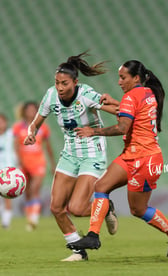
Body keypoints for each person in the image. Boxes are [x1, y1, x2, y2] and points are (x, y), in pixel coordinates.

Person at [68, 60, 168, 258]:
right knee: (101, 187)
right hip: (131, 155)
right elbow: (132, 111)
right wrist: (115, 102)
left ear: (136, 78)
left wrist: (93, 131)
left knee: (138, 209)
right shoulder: (147, 93)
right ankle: (93, 236)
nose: (119, 81)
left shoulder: (132, 96)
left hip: (145, 159)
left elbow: (122, 127)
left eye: (123, 77)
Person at [24, 51, 119, 262]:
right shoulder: (50, 96)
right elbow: (36, 122)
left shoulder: (86, 94)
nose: (60, 87)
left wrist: (122, 107)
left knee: (76, 208)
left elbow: (116, 109)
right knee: (56, 207)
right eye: (57, 82)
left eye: (64, 83)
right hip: (69, 153)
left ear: (75, 82)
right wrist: (31, 134)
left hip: (92, 151)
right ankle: (79, 251)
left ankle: (106, 207)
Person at [13, 101, 56, 231]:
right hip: (24, 163)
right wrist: (19, 160)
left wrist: (53, 163)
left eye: (34, 110)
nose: (31, 112)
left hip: (38, 162)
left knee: (34, 189)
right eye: (29, 110)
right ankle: (30, 219)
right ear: (24, 111)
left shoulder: (43, 128)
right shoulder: (18, 127)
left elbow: (48, 147)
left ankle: (34, 219)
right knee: (26, 192)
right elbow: (16, 145)